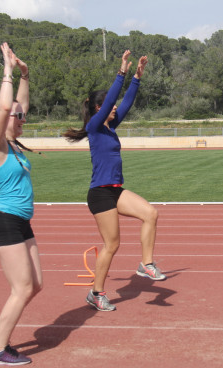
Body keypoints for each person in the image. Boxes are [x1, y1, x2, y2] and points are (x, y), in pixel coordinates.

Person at [63, 50, 165, 312]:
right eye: (110, 105)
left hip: (116, 191)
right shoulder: (95, 127)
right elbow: (113, 100)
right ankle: (96, 293)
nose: (116, 107)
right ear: (100, 109)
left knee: (151, 214)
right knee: (112, 245)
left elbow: (126, 102)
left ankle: (146, 264)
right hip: (100, 194)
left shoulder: (110, 127)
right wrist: (121, 72)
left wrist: (137, 77)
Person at [0, 42, 43, 365]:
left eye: (22, 116)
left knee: (36, 285)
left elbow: (19, 104)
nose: (22, 119)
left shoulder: (15, 144)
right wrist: (6, 69)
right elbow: (7, 107)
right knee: (21, 288)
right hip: (4, 221)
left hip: (21, 222)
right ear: (0, 117)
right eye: (17, 116)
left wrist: (25, 75)